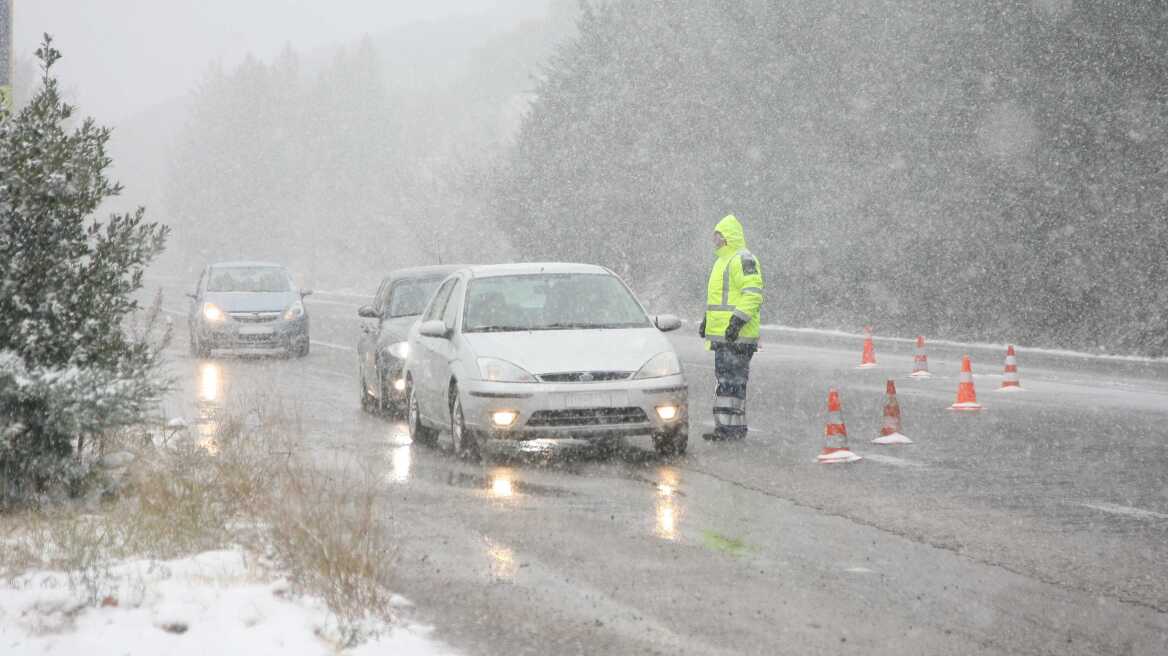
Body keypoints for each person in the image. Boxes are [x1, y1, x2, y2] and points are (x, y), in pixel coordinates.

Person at [698, 214, 765, 441]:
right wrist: (707, 321)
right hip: (725, 338)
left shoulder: (743, 259)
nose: (714, 241)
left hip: (738, 337)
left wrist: (737, 321)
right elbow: (719, 299)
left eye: (717, 236)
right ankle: (727, 429)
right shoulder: (722, 262)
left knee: (732, 384)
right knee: (726, 384)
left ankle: (731, 430)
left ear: (727, 237)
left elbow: (753, 294)